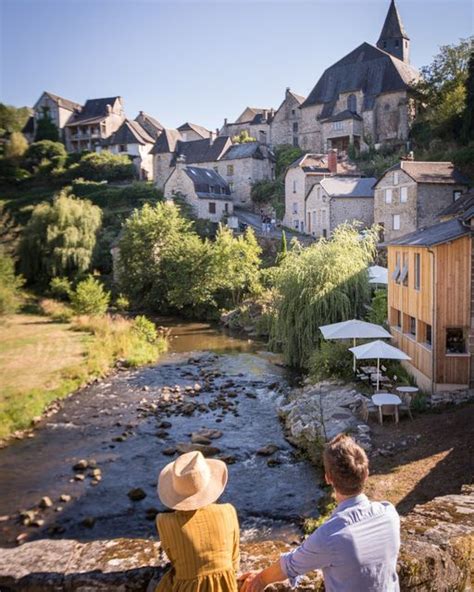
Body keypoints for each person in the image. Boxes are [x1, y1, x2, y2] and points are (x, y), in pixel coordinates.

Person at [241, 434, 400, 592]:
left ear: (328, 478)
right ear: (366, 474)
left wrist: (260, 579)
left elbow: (290, 565)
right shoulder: (389, 514)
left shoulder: (330, 536)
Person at [155, 450, 240, 592]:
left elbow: (173, 559)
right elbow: (234, 560)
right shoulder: (228, 511)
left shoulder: (164, 521)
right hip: (227, 586)